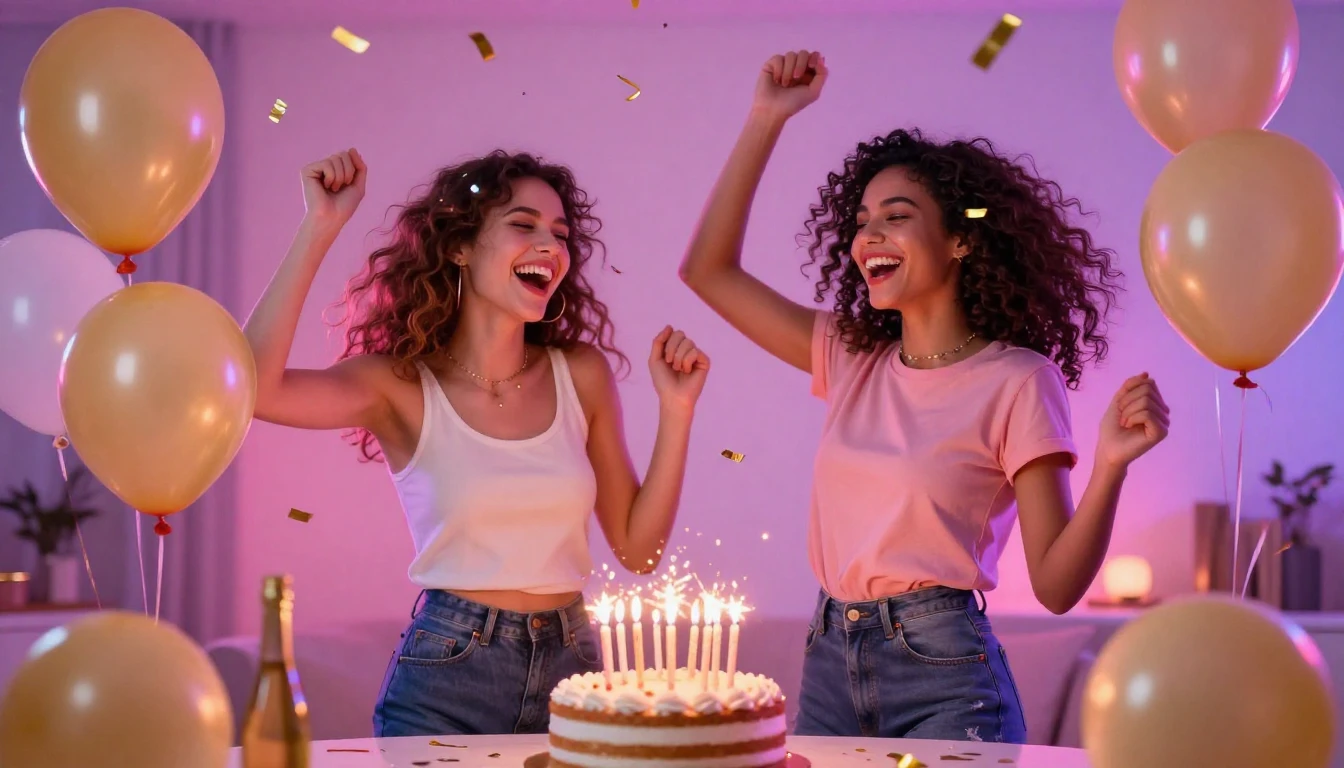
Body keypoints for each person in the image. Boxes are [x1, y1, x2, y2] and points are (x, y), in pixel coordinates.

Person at [679, 51, 1170, 743]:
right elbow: (707, 270)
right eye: (862, 219)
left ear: (962, 240)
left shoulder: (1018, 379)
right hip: (827, 663)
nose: (868, 235)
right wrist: (766, 118)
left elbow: (1057, 587)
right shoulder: (851, 357)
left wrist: (1113, 464)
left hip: (944, 671)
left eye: (897, 216)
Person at [244, 148, 711, 736]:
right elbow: (255, 390)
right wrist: (321, 225)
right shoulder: (399, 385)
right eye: (523, 225)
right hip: (447, 677)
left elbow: (639, 553)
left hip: (576, 676)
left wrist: (678, 410)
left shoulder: (581, 374)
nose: (551, 246)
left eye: (560, 234)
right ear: (459, 247)